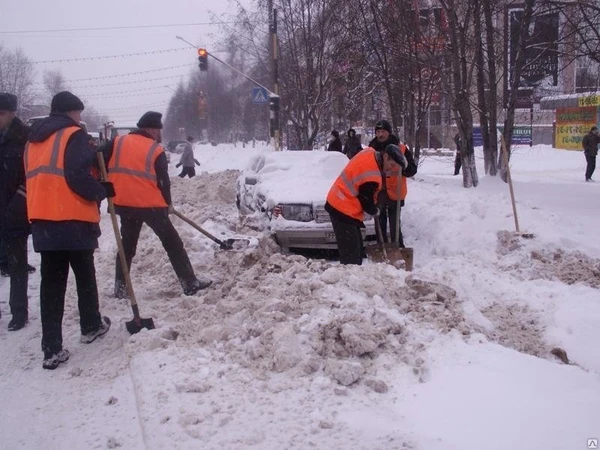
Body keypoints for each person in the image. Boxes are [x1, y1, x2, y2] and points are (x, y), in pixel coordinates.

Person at [25, 91, 112, 370]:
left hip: (43, 219)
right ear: (71, 112)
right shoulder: (72, 135)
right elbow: (76, 176)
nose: (80, 118)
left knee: (51, 284)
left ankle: (51, 348)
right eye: (79, 113)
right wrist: (101, 190)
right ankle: (90, 325)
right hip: (72, 218)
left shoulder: (33, 140)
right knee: (84, 275)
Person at [100, 111, 211, 298]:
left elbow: (98, 159)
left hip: (125, 204)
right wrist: (168, 204)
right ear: (150, 129)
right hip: (150, 206)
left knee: (126, 246)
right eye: (158, 130)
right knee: (173, 243)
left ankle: (120, 288)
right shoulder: (155, 149)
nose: (159, 134)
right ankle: (190, 283)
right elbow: (163, 181)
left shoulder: (117, 142)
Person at [325, 144, 407, 265]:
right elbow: (366, 201)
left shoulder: (370, 152)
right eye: (391, 165)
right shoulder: (372, 176)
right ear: (385, 156)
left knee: (357, 249)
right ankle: (348, 279)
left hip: (340, 201)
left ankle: (352, 273)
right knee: (351, 254)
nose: (391, 169)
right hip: (342, 207)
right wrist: (375, 211)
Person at [0, 93, 30, 330]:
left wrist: (17, 203)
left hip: (16, 210)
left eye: (1, 114)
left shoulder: (25, 138)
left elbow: (32, 175)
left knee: (17, 263)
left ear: (12, 113)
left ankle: (18, 311)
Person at [367, 120, 417, 246]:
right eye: (378, 132)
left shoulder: (401, 149)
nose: (380, 135)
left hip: (395, 192)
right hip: (378, 193)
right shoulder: (370, 151)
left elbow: (412, 169)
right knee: (379, 225)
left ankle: (398, 249)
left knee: (395, 225)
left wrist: (403, 166)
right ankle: (382, 250)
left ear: (389, 132)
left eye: (383, 131)